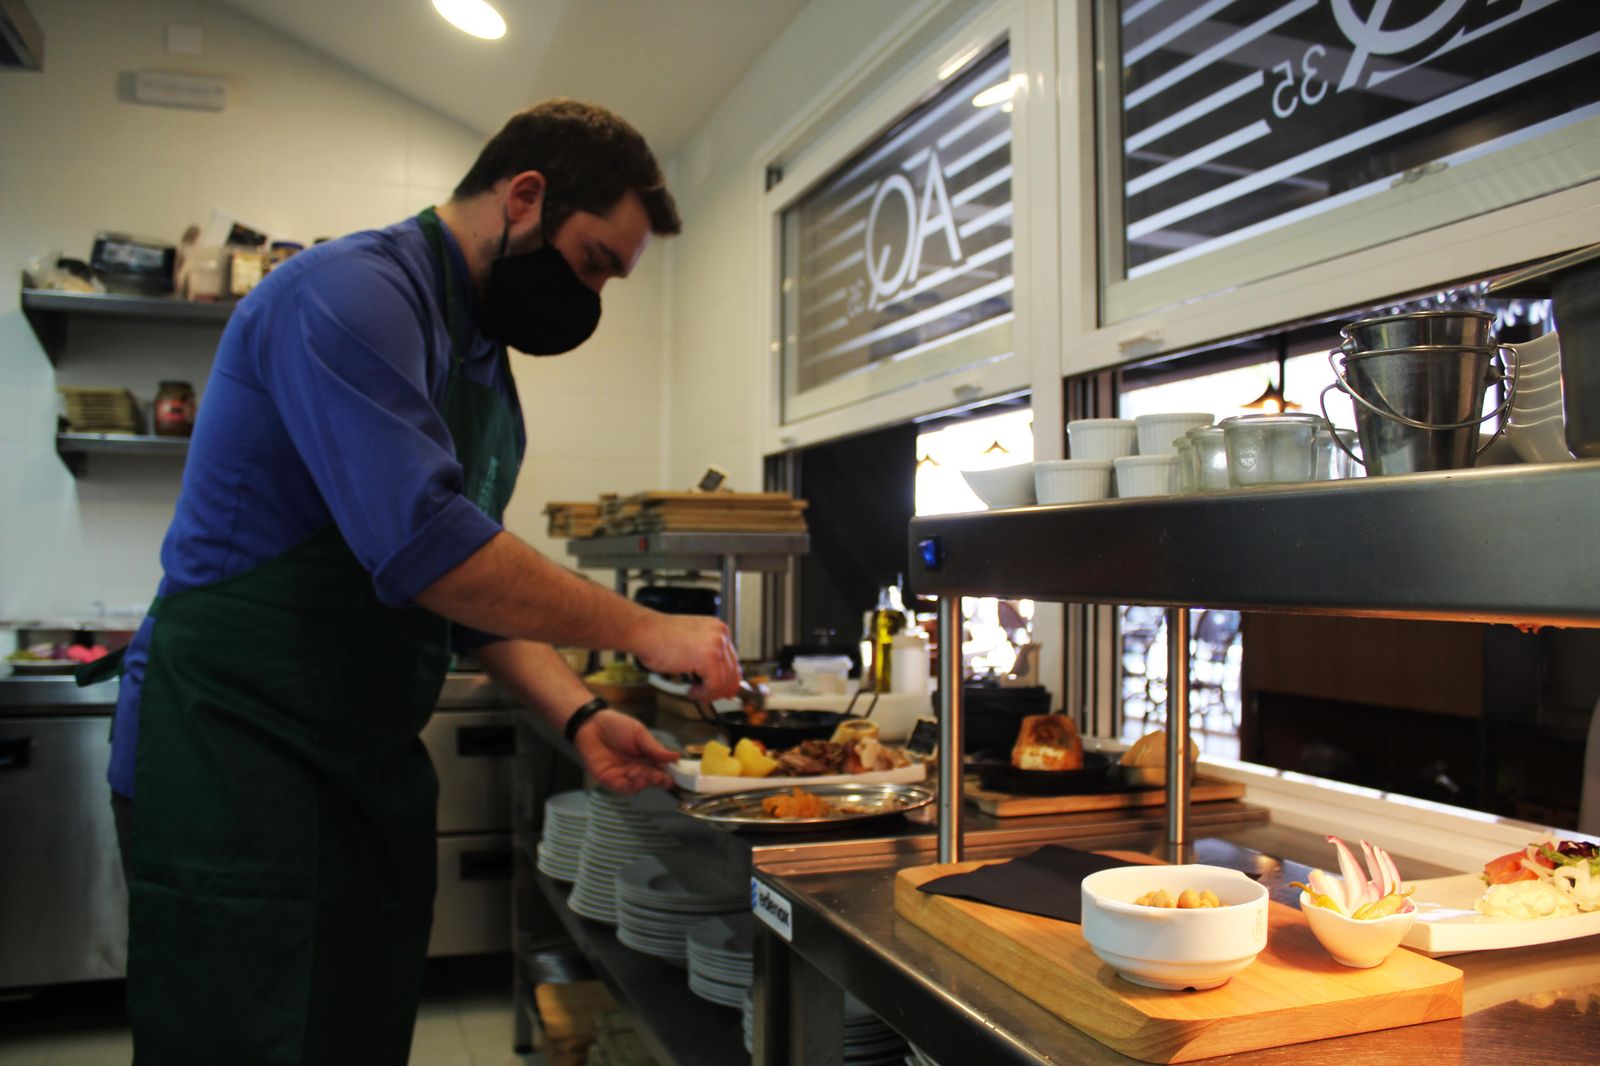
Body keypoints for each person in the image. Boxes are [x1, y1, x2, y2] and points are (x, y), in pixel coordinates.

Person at [101, 99, 741, 1065]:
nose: (594, 299)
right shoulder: (349, 294)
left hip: (359, 767)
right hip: (233, 755)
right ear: (525, 196)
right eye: (594, 262)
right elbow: (426, 546)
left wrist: (576, 714)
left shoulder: (483, 365)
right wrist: (647, 629)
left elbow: (465, 602)